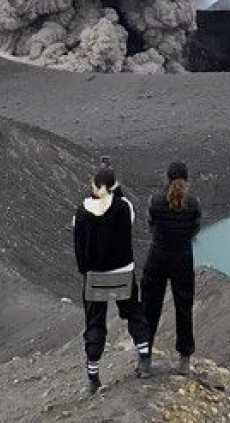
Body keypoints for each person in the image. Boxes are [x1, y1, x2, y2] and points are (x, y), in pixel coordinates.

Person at [73, 163, 152, 394]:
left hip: (94, 277)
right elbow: (127, 217)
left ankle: (93, 376)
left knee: (95, 323)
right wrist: (117, 191)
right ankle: (145, 360)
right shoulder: (124, 207)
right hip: (122, 273)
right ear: (115, 187)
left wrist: (85, 271)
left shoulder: (80, 212)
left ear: (93, 186)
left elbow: (78, 245)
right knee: (133, 313)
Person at [141, 160, 201, 374]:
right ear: (186, 180)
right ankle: (184, 361)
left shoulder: (155, 201)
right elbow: (195, 229)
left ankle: (144, 360)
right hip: (182, 258)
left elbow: (150, 225)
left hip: (157, 257)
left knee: (149, 308)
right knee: (183, 308)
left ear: (167, 180)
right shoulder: (193, 203)